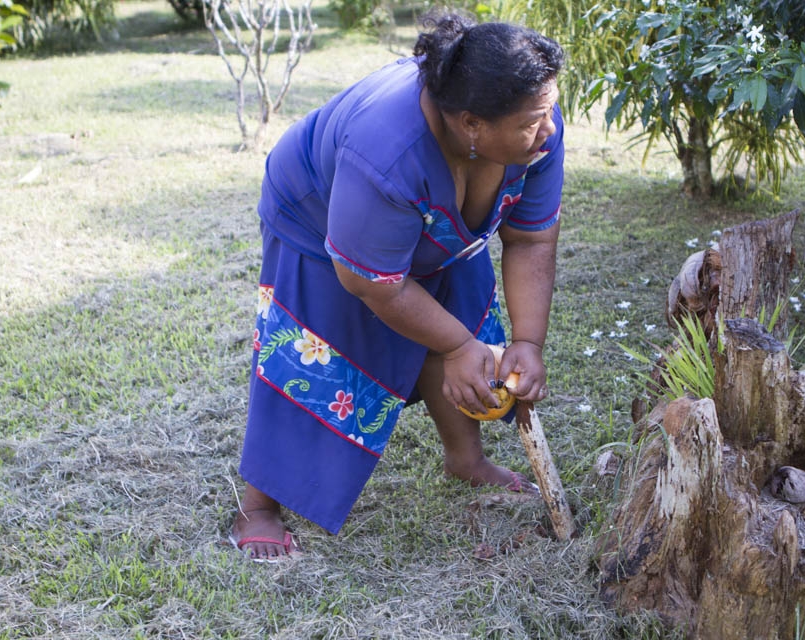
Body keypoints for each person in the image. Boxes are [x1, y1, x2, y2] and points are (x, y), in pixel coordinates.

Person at [229, 10, 566, 562]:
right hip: (319, 221)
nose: (549, 129)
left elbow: (530, 240)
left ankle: (466, 459)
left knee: (456, 319)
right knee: (315, 351)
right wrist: (456, 345)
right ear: (471, 123)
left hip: (440, 228)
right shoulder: (384, 149)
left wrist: (527, 341)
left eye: (550, 111)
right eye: (535, 120)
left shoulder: (530, 122)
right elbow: (372, 285)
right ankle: (258, 505)